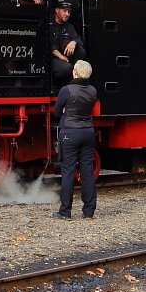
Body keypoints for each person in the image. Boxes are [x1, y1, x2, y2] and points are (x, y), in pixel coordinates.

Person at [52, 60, 97, 220]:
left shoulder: (67, 90)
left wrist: (65, 109)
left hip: (70, 133)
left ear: (74, 73)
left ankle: (65, 211)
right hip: (88, 133)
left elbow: (57, 112)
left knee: (68, 172)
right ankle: (88, 212)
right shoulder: (92, 90)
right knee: (87, 172)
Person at [50, 2, 85, 83]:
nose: (67, 14)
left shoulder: (69, 27)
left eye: (69, 12)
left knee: (81, 52)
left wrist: (74, 42)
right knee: (67, 68)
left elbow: (79, 40)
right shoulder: (49, 23)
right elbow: (47, 43)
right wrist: (60, 56)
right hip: (52, 58)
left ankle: (77, 76)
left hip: (65, 56)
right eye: (64, 11)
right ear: (57, 10)